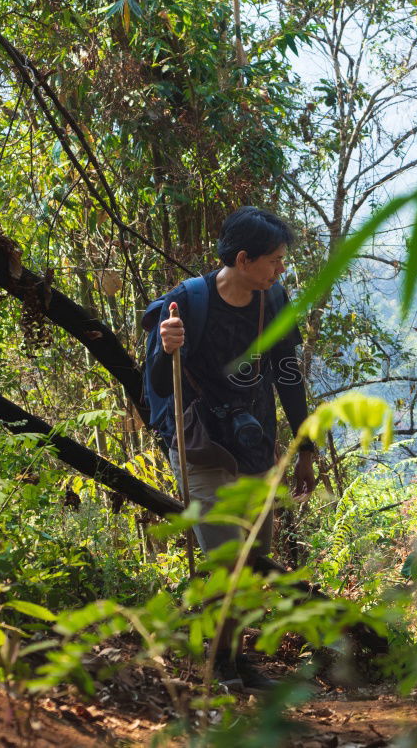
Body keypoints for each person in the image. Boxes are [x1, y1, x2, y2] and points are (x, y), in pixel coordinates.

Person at [147, 206, 316, 690]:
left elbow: (288, 375)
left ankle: (234, 660)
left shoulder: (275, 300)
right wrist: (166, 347)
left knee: (254, 553)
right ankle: (218, 668)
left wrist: (306, 450)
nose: (281, 268)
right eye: (275, 260)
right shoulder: (186, 303)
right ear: (244, 260)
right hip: (202, 447)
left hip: (255, 444)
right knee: (226, 559)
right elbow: (161, 383)